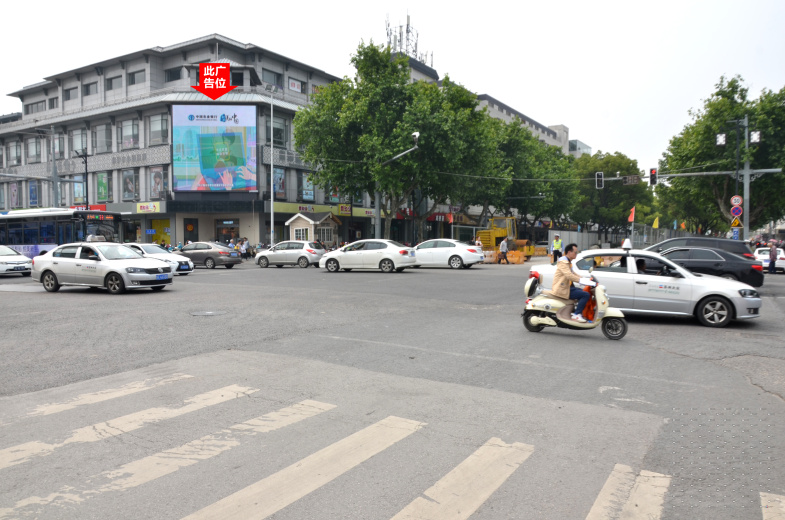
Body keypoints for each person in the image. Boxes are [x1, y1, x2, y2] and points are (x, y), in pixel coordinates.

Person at [552, 243, 591, 323]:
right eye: (575, 252)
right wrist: (581, 281)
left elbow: (573, 273)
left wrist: (585, 280)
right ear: (569, 252)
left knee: (584, 291)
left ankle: (577, 311)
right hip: (563, 289)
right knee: (585, 295)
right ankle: (576, 314)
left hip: (568, 287)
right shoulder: (563, 262)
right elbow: (569, 275)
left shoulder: (568, 262)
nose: (576, 254)